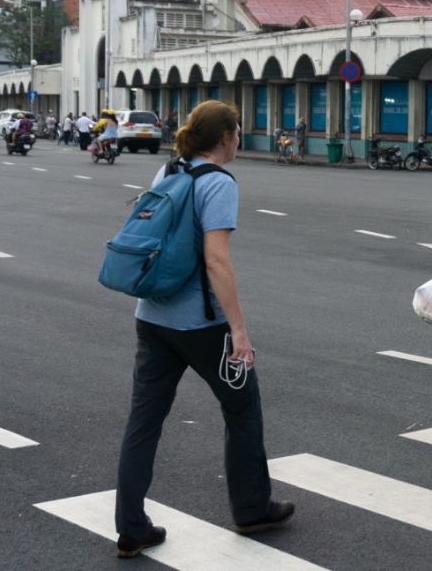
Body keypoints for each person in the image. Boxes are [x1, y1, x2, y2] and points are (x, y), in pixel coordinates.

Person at [114, 101, 293, 558]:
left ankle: (131, 526)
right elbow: (216, 260)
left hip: (151, 316)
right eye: (236, 131)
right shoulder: (217, 183)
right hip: (201, 324)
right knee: (243, 408)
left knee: (144, 421)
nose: (238, 138)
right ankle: (251, 509)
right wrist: (239, 331)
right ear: (226, 138)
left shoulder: (168, 170)